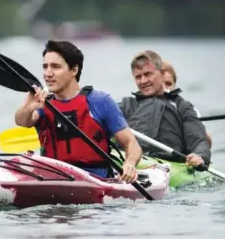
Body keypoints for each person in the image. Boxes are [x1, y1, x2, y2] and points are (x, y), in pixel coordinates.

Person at [14, 40, 142, 182]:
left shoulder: (100, 101)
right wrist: (30, 106)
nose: (48, 73)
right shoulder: (44, 104)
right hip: (53, 179)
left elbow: (132, 144)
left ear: (74, 70)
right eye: (45, 67)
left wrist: (129, 163)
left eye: (55, 67)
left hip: (96, 181)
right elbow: (22, 121)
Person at [118, 50, 211, 169]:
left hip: (168, 164)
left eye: (148, 74)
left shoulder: (182, 106)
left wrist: (199, 156)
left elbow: (198, 140)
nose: (143, 81)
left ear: (162, 73)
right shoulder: (126, 105)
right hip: (130, 162)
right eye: (138, 77)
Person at [163, 60, 213, 148]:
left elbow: (206, 143)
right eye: (161, 84)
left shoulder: (185, 108)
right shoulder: (137, 106)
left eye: (168, 84)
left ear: (174, 85)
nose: (165, 88)